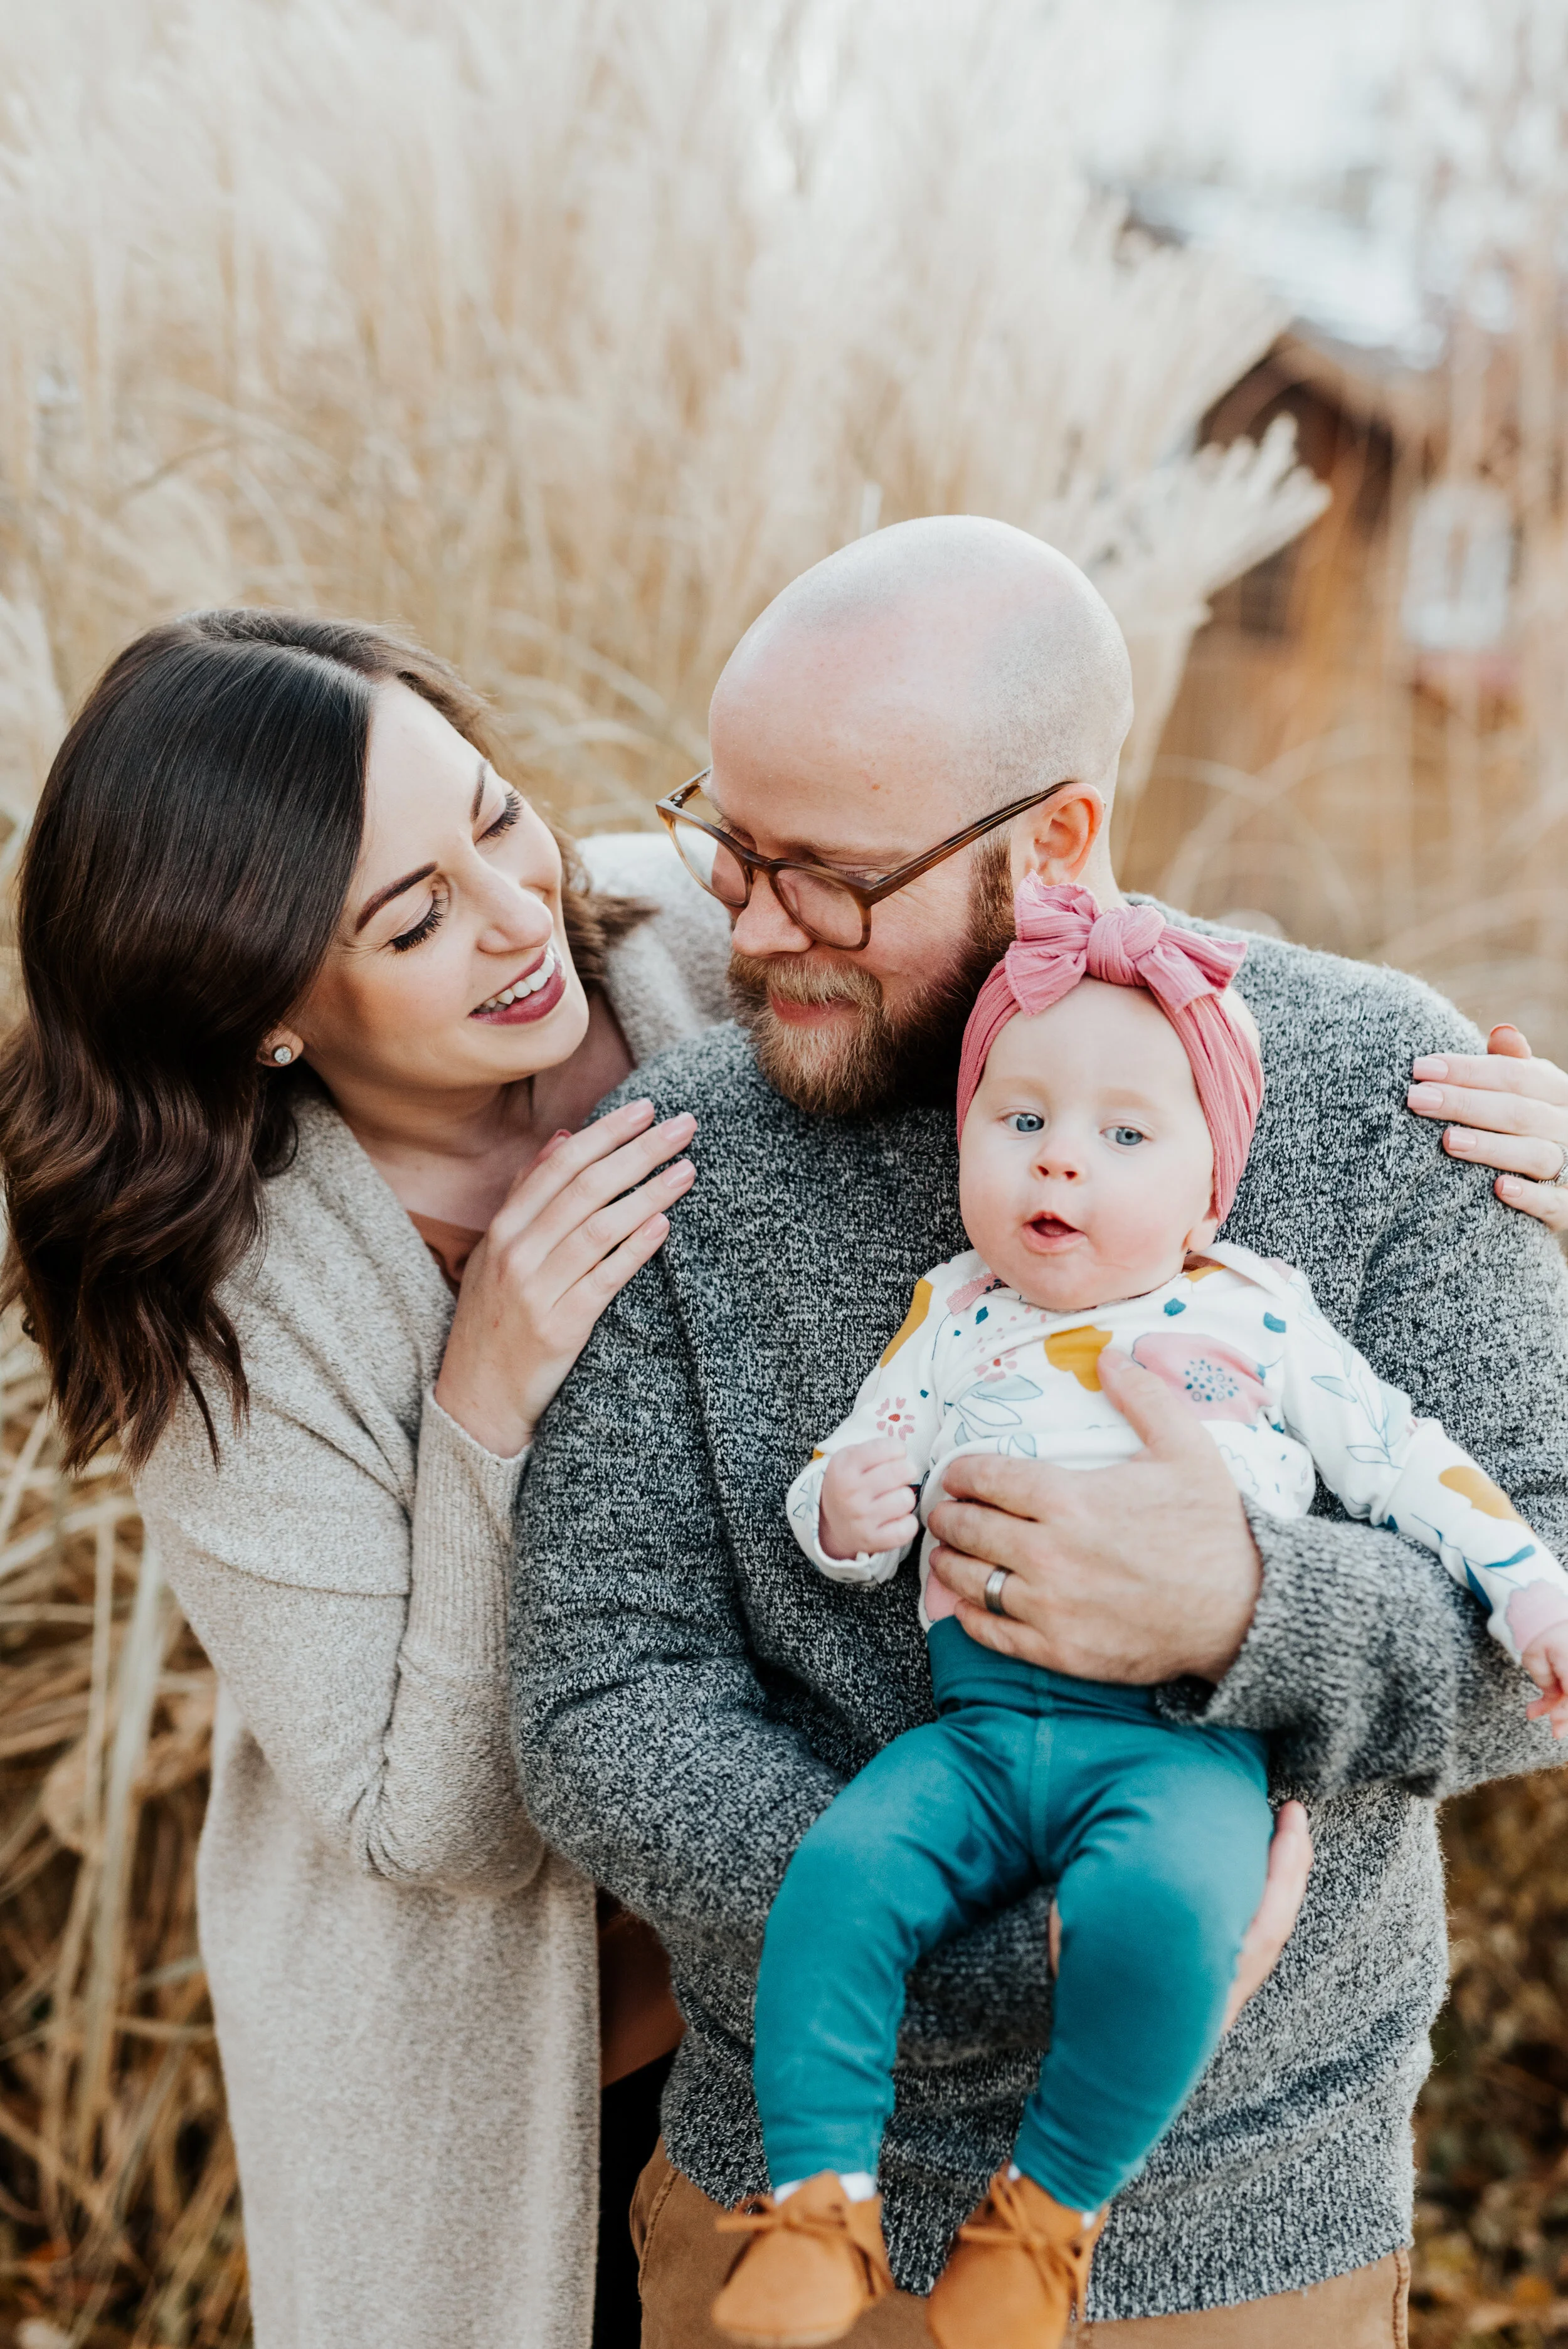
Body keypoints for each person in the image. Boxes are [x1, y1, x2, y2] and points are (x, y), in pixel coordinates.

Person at [511, 516, 1568, 2346]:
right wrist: (1038, 1952)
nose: (750, 931)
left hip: (1244, 2245)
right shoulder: (684, 1156)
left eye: (824, 875)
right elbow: (603, 1694)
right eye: (729, 849)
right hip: (774, 2220)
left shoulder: (1379, 1094)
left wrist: (1250, 1609)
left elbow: (1541, 1585)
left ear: (1058, 838)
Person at [0, 610, 732, 2349]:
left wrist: (1452, 1100)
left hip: (866, 1999)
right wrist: (478, 1407)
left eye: (492, 815)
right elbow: (439, 1834)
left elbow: (1123, 991)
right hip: (542, 2087)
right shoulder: (228, 1303)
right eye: (410, 918)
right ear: (258, 1008)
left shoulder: (698, 945)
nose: (512, 912)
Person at [714, 879, 1568, 2349]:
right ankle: (816, 2201)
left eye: (1123, 1138)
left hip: (1183, 1741)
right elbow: (854, 1461)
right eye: (1020, 1121)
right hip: (972, 1732)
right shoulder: (950, 1311)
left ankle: (1044, 2217)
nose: (1061, 1166)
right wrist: (840, 1516)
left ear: (1207, 1190)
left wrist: (1527, 1587)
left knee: (1166, 1917)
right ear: (965, 1142)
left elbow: (1402, 1455)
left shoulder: (1258, 1316)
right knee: (843, 1876)